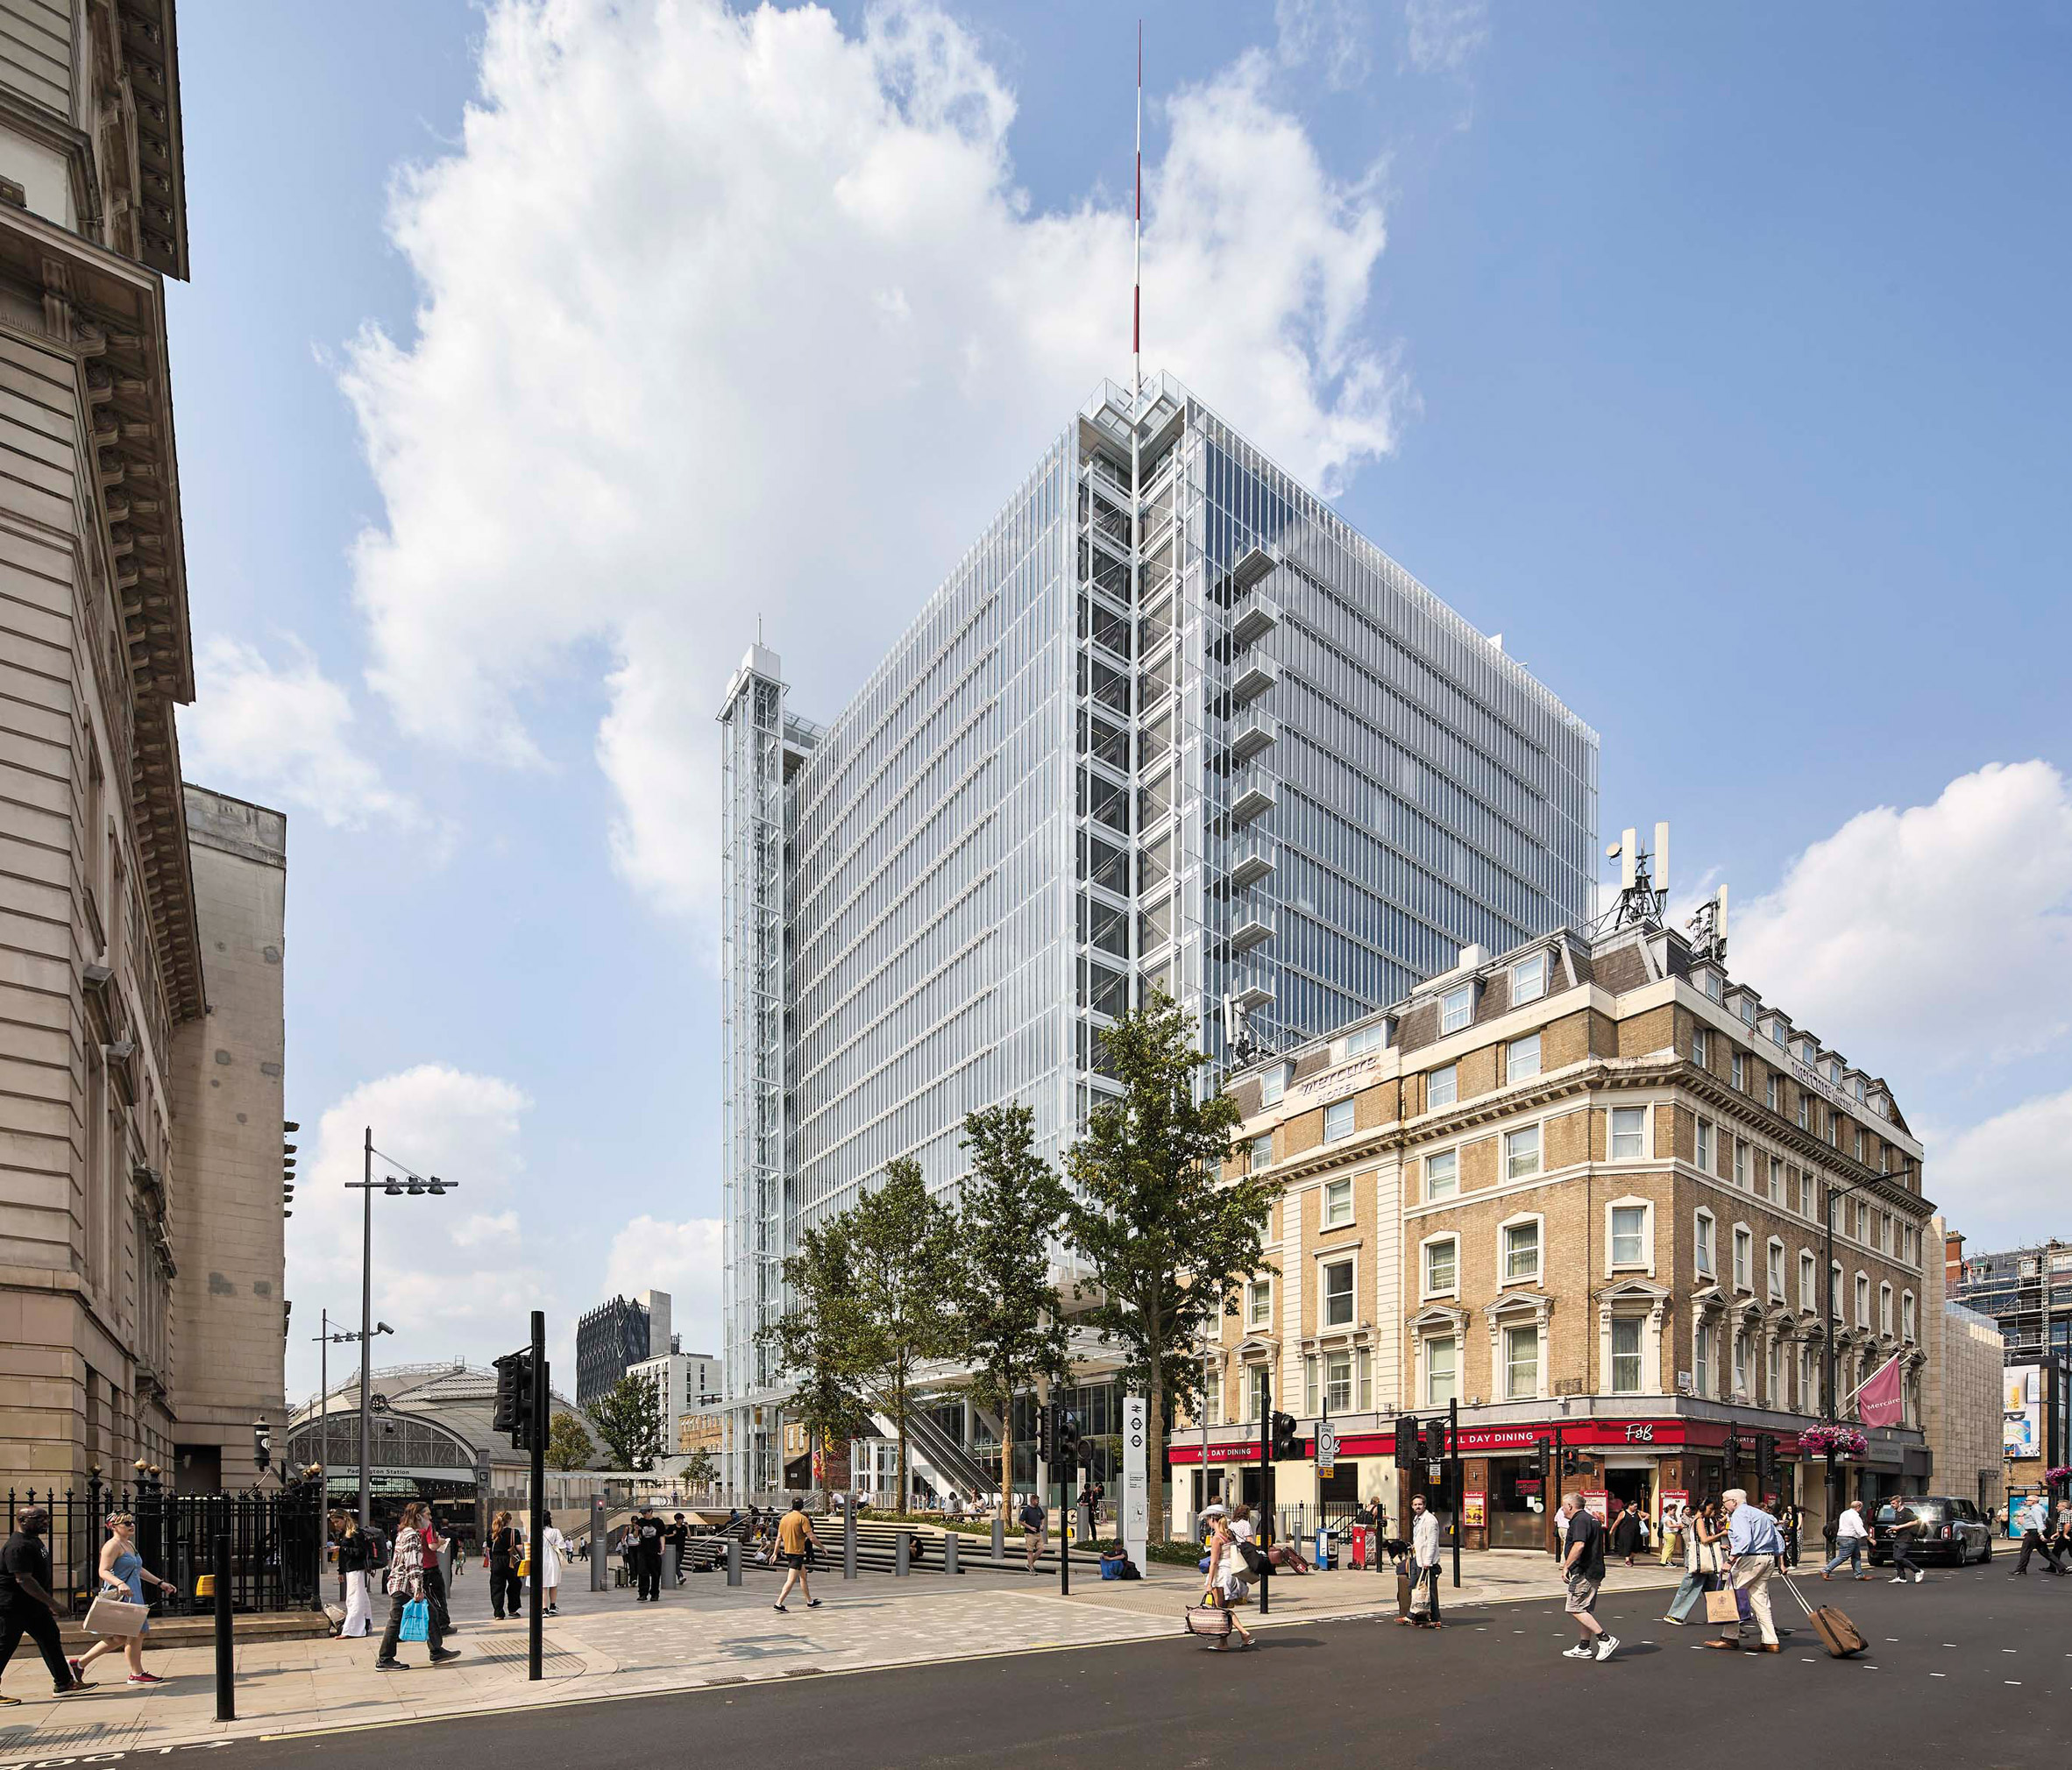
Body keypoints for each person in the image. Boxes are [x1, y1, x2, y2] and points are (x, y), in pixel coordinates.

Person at [72, 1512, 177, 1687]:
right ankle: (136, 1673)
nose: (131, 1525)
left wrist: (160, 1583)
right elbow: (103, 1571)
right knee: (133, 1632)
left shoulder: (128, 1544)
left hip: (133, 1593)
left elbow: (138, 1569)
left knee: (126, 1635)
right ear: (113, 1526)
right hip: (122, 1595)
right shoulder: (112, 1546)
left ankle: (80, 1664)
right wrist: (120, 1583)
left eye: (131, 1521)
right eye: (126, 1523)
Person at [0, 1506, 86, 1701]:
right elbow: (24, 1579)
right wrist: (54, 1604)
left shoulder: (33, 1541)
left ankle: (64, 1683)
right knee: (4, 1646)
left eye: (47, 1518)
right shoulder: (17, 1546)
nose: (46, 1522)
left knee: (50, 1638)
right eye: (39, 1519)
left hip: (32, 1606)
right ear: (22, 1520)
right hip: (12, 1607)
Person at [375, 1502, 459, 1670]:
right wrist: (418, 1589)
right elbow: (412, 1564)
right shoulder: (411, 1534)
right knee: (396, 1620)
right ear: (418, 1516)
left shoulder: (404, 1532)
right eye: (427, 1514)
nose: (430, 1517)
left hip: (405, 1584)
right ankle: (384, 1658)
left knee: (432, 1613)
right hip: (404, 1585)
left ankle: (436, 1650)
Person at [1707, 1488, 1784, 1653]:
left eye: (1725, 1501)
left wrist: (1730, 1560)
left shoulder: (1740, 1514)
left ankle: (1730, 1638)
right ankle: (1771, 1641)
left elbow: (1744, 1540)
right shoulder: (1761, 1514)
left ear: (1734, 1501)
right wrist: (1780, 1559)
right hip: (1768, 1558)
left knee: (1730, 1595)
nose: (1724, 1505)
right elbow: (1778, 1538)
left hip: (1751, 1558)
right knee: (1759, 1600)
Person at [1557, 1494, 1615, 1660]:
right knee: (1584, 1609)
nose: (1562, 1509)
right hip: (1593, 1570)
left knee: (1574, 1608)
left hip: (1584, 1572)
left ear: (1570, 1506)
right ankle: (1584, 1647)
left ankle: (1605, 1639)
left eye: (1563, 1506)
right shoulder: (1591, 1519)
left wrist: (1566, 1566)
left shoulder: (1580, 1520)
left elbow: (1579, 1544)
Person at [1661, 1498, 1724, 1625]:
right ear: (1702, 1508)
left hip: (1703, 1558)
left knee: (1713, 1586)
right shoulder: (1699, 1521)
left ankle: (1720, 1615)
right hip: (1700, 1558)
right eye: (1710, 1508)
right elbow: (1704, 1540)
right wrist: (1722, 1534)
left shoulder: (1703, 1520)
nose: (1712, 1511)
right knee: (1690, 1585)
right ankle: (1674, 1615)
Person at [1203, 1511, 1255, 1651]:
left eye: (1208, 1519)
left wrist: (1209, 1583)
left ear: (1212, 1519)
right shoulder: (1229, 1534)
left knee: (1221, 1609)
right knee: (1222, 1608)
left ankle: (1241, 1634)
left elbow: (1213, 1563)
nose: (1207, 1522)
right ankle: (1226, 1641)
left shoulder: (1217, 1538)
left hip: (1221, 1575)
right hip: (1232, 1573)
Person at [772, 1499, 821, 1613]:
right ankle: (778, 1603)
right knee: (791, 1580)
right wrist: (822, 1547)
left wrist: (775, 1553)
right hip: (797, 1553)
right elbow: (812, 1537)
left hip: (788, 1551)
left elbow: (779, 1538)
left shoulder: (784, 1518)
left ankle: (810, 1601)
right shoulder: (803, 1519)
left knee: (803, 1576)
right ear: (802, 1507)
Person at [1401, 1494, 1443, 1629]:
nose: (1417, 1507)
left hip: (1426, 1561)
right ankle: (1414, 1617)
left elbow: (1431, 1542)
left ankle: (1434, 1619)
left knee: (1429, 1591)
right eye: (1415, 1504)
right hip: (1418, 1558)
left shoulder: (1430, 1520)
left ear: (1424, 1505)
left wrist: (1428, 1562)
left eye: (1420, 1504)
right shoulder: (1417, 1519)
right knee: (1415, 1587)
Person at [333, 1512, 374, 1638]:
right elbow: (343, 1556)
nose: (335, 1525)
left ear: (345, 1519)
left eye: (337, 1521)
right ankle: (365, 1624)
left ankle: (353, 1629)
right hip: (350, 1569)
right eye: (333, 1522)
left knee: (354, 1599)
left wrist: (342, 1549)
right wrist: (341, 1571)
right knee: (360, 1597)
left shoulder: (355, 1533)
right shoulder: (345, 1534)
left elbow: (361, 1552)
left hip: (357, 1569)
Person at [2012, 1493, 2064, 1575]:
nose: (2025, 1502)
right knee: (2045, 1552)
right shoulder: (2039, 1508)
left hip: (2034, 1532)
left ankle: (2020, 1569)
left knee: (2025, 1550)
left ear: (2033, 1501)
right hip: (2036, 1532)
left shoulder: (2035, 1510)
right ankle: (2062, 1568)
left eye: (2027, 1500)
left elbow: (2039, 1521)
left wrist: (2040, 1534)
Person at [1822, 1499, 1873, 1580]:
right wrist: (1869, 1539)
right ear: (1858, 1507)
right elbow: (1859, 1528)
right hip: (1849, 1538)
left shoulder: (1844, 1513)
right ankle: (1826, 1570)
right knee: (1843, 1557)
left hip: (1843, 1537)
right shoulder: (1855, 1516)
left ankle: (1859, 1574)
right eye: (1861, 1507)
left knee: (1856, 1556)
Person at [486, 1511, 522, 1620]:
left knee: (496, 1587)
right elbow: (519, 1548)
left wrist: (491, 1561)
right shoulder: (513, 1532)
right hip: (510, 1561)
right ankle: (513, 1609)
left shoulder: (492, 1532)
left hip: (496, 1561)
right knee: (515, 1585)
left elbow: (488, 1550)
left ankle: (498, 1613)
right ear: (509, 1520)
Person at [1884, 1499, 1927, 1585]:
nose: (1892, 1505)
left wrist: (1899, 1527)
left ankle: (1918, 1571)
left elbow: (1915, 1522)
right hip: (1899, 1538)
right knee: (1895, 1557)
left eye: (1893, 1503)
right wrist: (1893, 1530)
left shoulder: (1906, 1511)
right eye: (1891, 1504)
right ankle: (1901, 1577)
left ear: (1899, 1503)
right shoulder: (1897, 1513)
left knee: (1899, 1557)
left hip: (1907, 1538)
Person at [632, 1507, 664, 1603]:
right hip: (643, 1550)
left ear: (650, 1512)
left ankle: (655, 1594)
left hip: (655, 1550)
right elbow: (635, 1535)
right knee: (642, 1572)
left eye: (645, 1513)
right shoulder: (640, 1521)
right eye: (642, 1513)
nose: (644, 1515)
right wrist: (636, 1530)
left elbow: (662, 1535)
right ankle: (643, 1594)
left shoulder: (658, 1522)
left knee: (655, 1573)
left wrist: (663, 1548)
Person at [537, 1512, 566, 1616]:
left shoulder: (534, 1531)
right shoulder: (555, 1531)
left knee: (543, 1585)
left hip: (540, 1559)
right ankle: (552, 1606)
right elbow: (562, 1545)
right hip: (553, 1559)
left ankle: (544, 1608)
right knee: (553, 1584)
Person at [1608, 1495, 1640, 1566]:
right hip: (1625, 1532)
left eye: (1636, 1506)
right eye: (1634, 1506)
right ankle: (1627, 1560)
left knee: (1635, 1547)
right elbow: (1617, 1522)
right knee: (1627, 1546)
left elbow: (1647, 1515)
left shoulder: (1637, 1512)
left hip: (1635, 1532)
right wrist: (1611, 1530)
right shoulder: (1623, 1513)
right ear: (1630, 1506)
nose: (1636, 1508)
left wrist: (1644, 1519)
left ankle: (1631, 1557)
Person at [1020, 1492, 1047, 1574]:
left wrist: (1042, 1525)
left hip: (1038, 1533)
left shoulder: (1038, 1509)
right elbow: (1020, 1521)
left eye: (1038, 1500)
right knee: (1030, 1551)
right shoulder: (1026, 1510)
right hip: (1029, 1533)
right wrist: (1030, 1527)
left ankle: (1030, 1564)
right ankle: (1031, 1568)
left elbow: (1043, 1517)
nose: (1038, 1502)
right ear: (1032, 1500)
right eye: (1036, 1500)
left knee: (1041, 1549)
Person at [1778, 1499, 1802, 1569]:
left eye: (1790, 1509)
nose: (1789, 1510)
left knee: (1796, 1545)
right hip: (1788, 1531)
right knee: (1787, 1546)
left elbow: (1800, 1523)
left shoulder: (1798, 1514)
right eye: (1788, 1509)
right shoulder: (1786, 1514)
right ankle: (1788, 1560)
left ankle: (1795, 1561)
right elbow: (1783, 1522)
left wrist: (1796, 1529)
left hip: (1795, 1531)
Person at [667, 1513, 691, 1583]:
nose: (682, 1520)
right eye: (681, 1519)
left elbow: (689, 1537)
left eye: (682, 1519)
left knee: (678, 1563)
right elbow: (665, 1535)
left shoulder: (683, 1527)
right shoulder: (672, 1527)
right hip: (673, 1548)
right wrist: (673, 1534)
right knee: (676, 1563)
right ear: (677, 1519)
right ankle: (680, 1576)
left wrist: (687, 1527)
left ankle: (679, 1576)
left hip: (681, 1548)